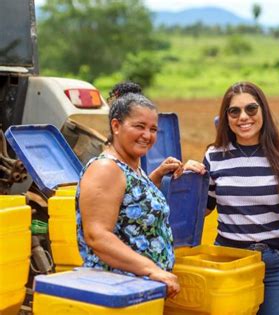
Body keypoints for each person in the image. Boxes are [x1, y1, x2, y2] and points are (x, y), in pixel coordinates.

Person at [76, 82, 206, 298]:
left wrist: (158, 175)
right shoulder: (106, 169)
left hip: (139, 292)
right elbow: (97, 235)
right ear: (116, 126)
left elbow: (130, 201)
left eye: (153, 129)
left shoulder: (132, 167)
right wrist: (152, 269)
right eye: (139, 126)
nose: (147, 135)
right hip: (116, 292)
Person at [203, 81, 279, 315]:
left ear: (263, 111)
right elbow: (201, 211)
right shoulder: (214, 157)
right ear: (226, 117)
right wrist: (184, 176)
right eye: (234, 111)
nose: (243, 117)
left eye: (251, 109)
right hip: (231, 263)